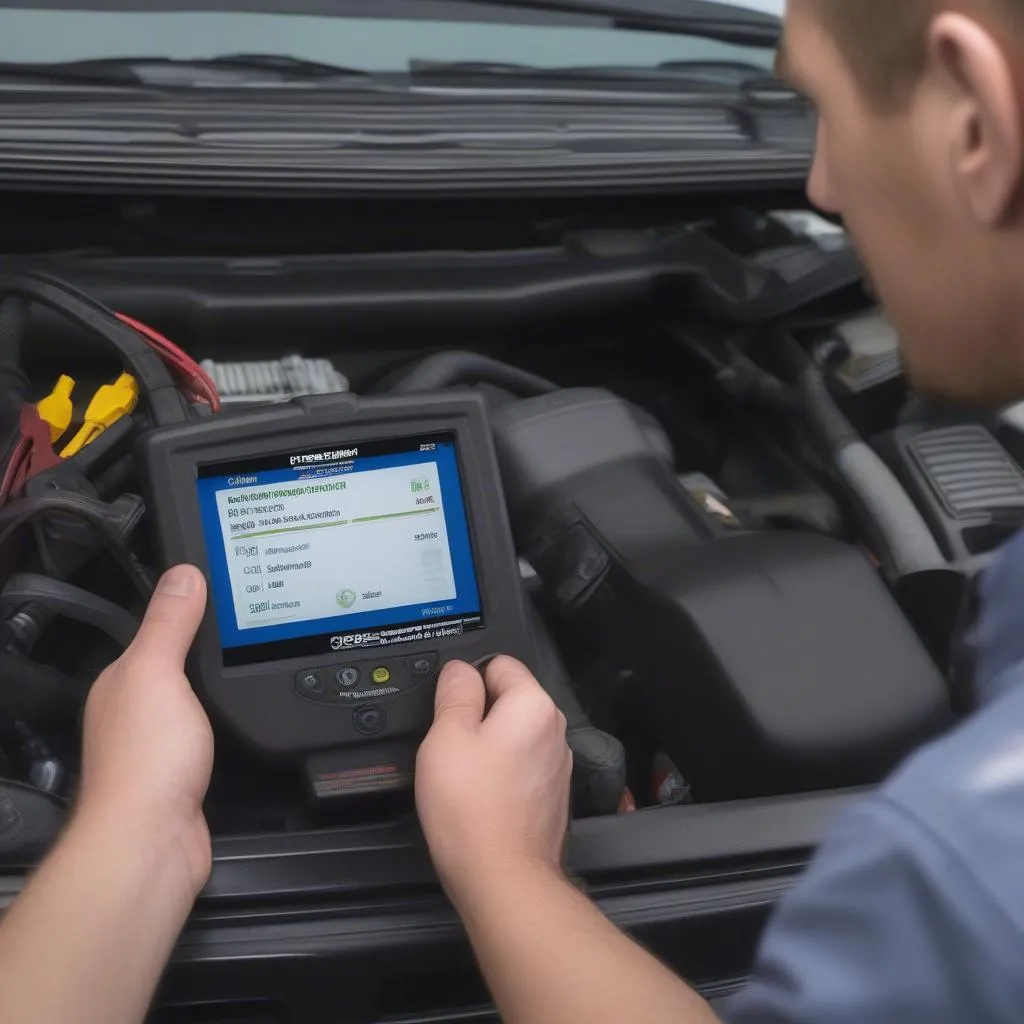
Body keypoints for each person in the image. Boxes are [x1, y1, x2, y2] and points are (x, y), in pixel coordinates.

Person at [4, 0, 1024, 1020]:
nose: (819, 185)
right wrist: (144, 825)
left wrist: (505, 871)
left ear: (975, 118)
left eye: (821, 109)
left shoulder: (968, 865)